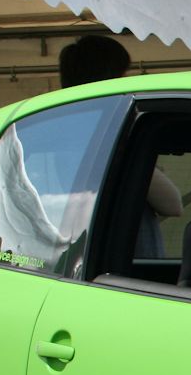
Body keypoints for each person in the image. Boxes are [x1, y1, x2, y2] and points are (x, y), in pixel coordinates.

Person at [58, 34, 183, 253]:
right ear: (109, 80)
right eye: (123, 76)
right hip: (126, 266)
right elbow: (173, 204)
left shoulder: (59, 133)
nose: (128, 85)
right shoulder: (108, 137)